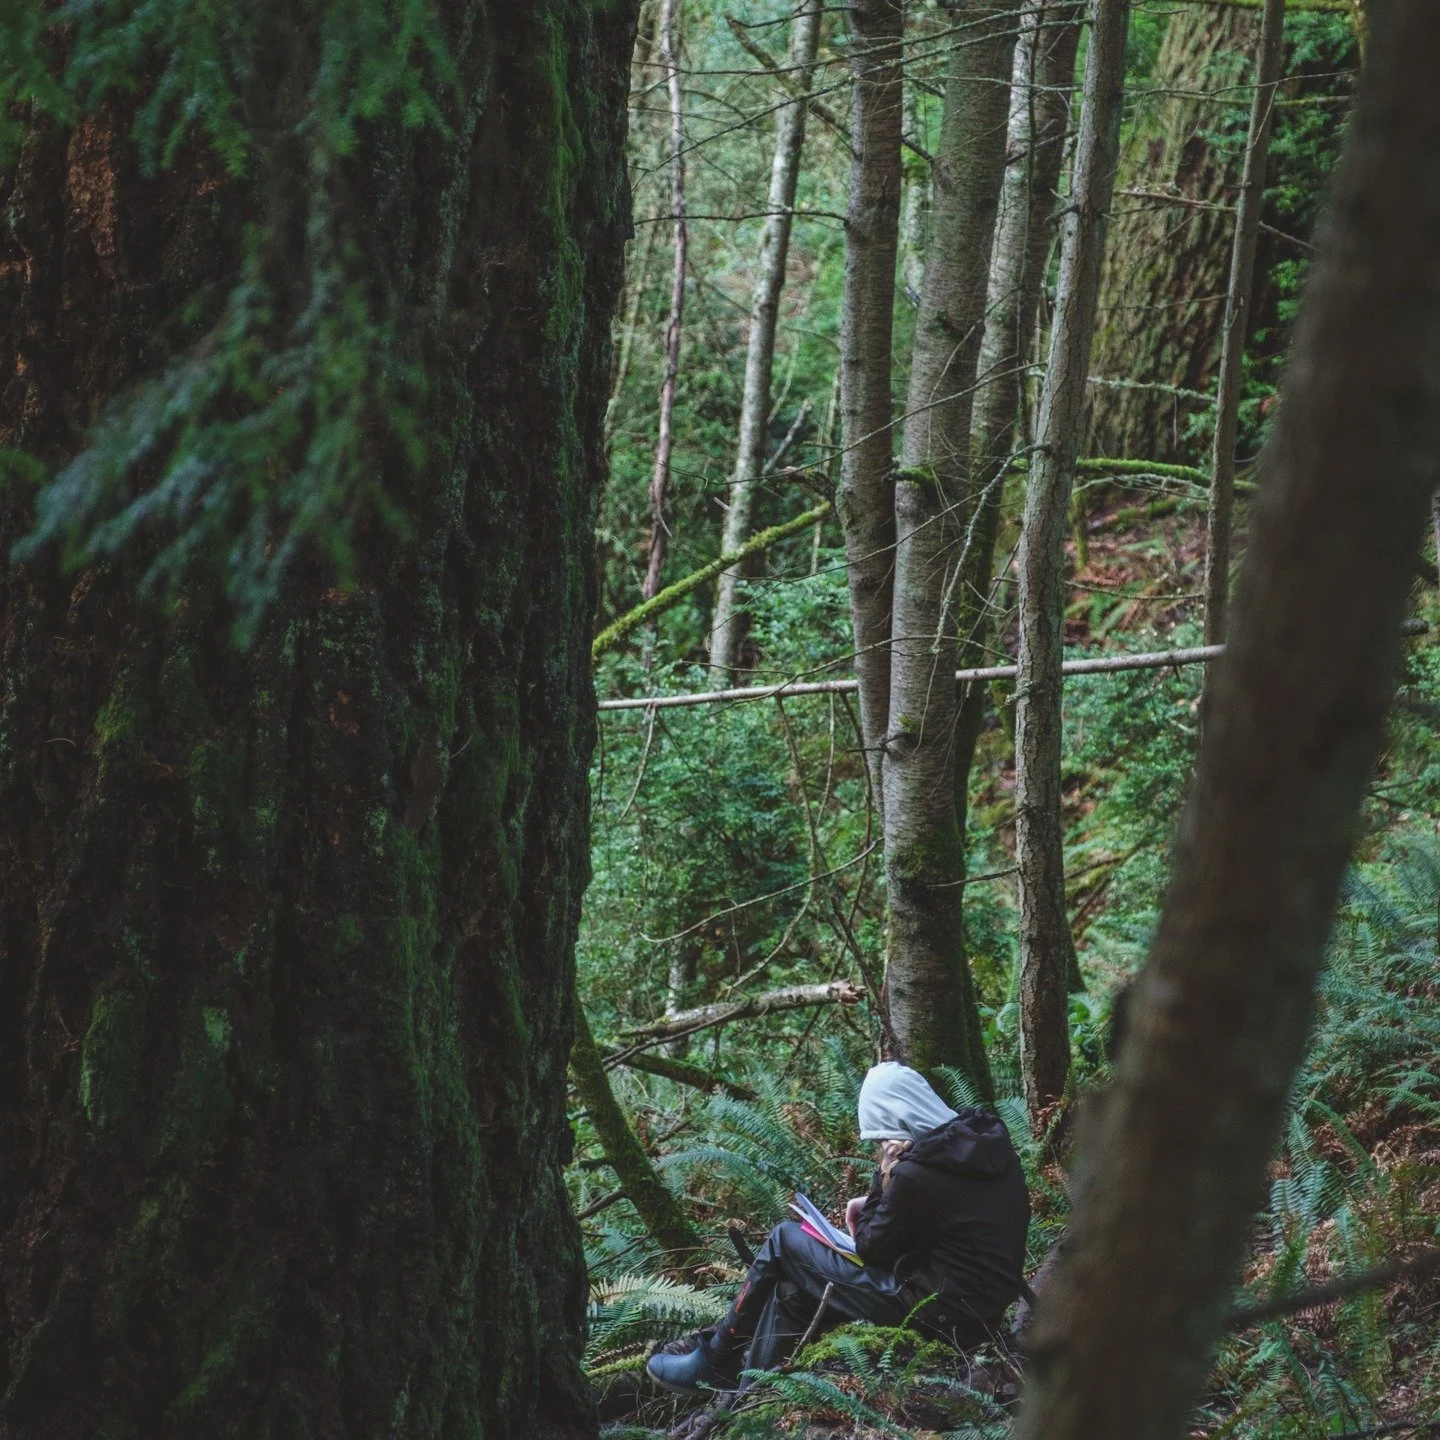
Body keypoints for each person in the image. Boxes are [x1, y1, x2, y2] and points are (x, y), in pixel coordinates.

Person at [645, 1061, 1030, 1394]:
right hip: (980, 1308)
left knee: (783, 1239)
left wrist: (885, 1177)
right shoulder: (980, 1138)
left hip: (939, 1313)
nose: (881, 1147)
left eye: (881, 1139)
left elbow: (870, 1249)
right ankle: (752, 1396)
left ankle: (717, 1356)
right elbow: (944, 1221)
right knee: (790, 1291)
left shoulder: (916, 1173)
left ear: (898, 1123)